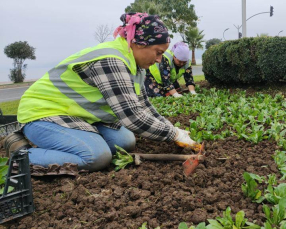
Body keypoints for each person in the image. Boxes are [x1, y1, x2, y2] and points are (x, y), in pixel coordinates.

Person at [4, 13, 199, 172]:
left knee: (125, 140)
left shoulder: (135, 64)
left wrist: (175, 130)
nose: (159, 59)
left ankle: (74, 142)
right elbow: (132, 116)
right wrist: (172, 134)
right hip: (44, 115)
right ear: (139, 44)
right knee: (97, 157)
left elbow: (143, 106)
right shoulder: (111, 61)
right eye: (157, 52)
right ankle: (21, 154)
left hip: (77, 116)